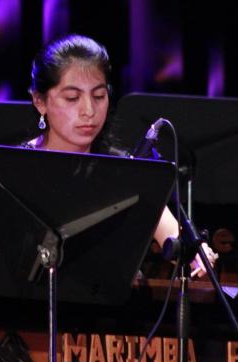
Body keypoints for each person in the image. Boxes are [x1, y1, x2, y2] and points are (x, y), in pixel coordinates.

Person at [26, 34, 217, 276]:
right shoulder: (17, 167)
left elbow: (173, 237)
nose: (89, 110)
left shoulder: (124, 168)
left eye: (99, 96)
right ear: (40, 101)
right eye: (72, 98)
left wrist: (196, 256)